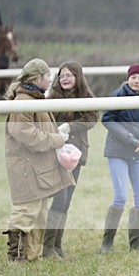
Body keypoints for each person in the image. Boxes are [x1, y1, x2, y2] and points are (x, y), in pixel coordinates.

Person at [3, 58, 75, 261]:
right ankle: (16, 257)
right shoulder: (23, 103)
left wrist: (56, 133)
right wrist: (57, 139)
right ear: (37, 78)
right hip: (26, 169)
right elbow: (28, 136)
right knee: (26, 212)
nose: (51, 79)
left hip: (36, 169)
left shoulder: (34, 100)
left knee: (39, 213)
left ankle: (32, 256)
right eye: (47, 76)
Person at [100, 63, 139, 253]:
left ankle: (136, 243)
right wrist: (130, 139)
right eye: (134, 77)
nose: (137, 81)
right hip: (117, 152)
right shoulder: (117, 96)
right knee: (121, 197)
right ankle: (107, 242)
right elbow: (107, 119)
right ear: (128, 78)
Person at [42, 62, 98, 258]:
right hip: (56, 153)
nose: (64, 79)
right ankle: (47, 247)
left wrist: (69, 126)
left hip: (75, 155)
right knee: (60, 198)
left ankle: (56, 245)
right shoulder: (51, 98)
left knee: (66, 201)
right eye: (61, 75)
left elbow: (92, 118)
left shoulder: (86, 97)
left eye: (69, 75)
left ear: (78, 77)